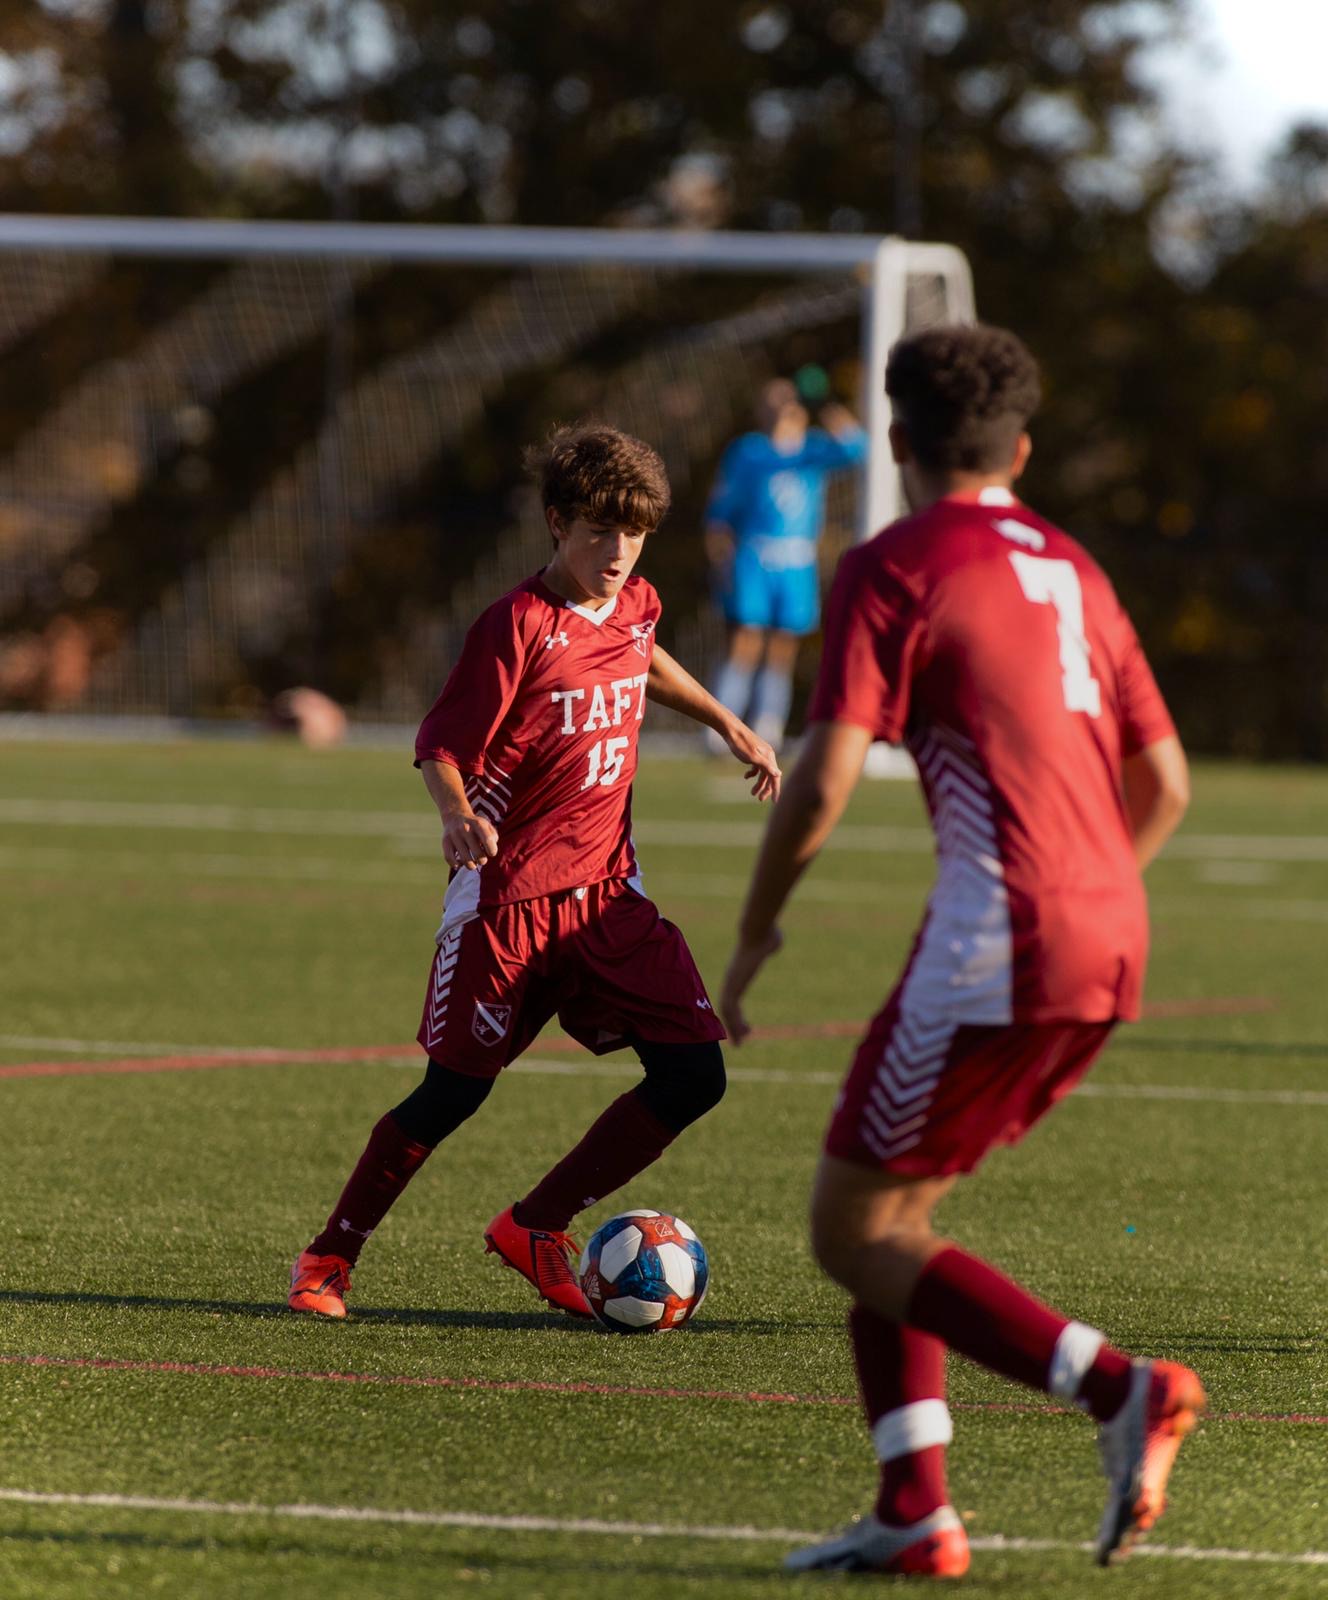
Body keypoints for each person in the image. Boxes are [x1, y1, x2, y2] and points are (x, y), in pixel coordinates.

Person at [719, 325, 1201, 1576]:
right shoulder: (1079, 570)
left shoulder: (893, 562)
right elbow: (1164, 781)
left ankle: (1115, 1389)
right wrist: (1085, 897)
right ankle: (913, 1510)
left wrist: (756, 920)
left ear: (893, 443)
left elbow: (826, 769)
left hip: (1007, 936)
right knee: (895, 1215)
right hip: (1110, 930)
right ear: (1021, 447)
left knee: (848, 1228)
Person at [289, 423, 779, 1322]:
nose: (618, 552)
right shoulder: (514, 626)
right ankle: (328, 1257)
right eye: (599, 531)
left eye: (633, 534)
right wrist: (455, 814)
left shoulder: (635, 602)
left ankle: (535, 1224)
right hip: (506, 902)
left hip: (606, 897)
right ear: (557, 524)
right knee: (452, 1095)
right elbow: (441, 745)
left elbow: (640, 653)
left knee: (694, 1076)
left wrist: (724, 720)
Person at [705, 375, 866, 750]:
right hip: (754, 554)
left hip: (796, 558)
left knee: (783, 644)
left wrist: (825, 404)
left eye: (786, 400)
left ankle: (768, 723)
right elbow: (721, 510)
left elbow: (858, 448)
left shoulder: (812, 450)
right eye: (771, 400)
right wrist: (720, 551)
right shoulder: (748, 451)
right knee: (745, 636)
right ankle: (722, 723)